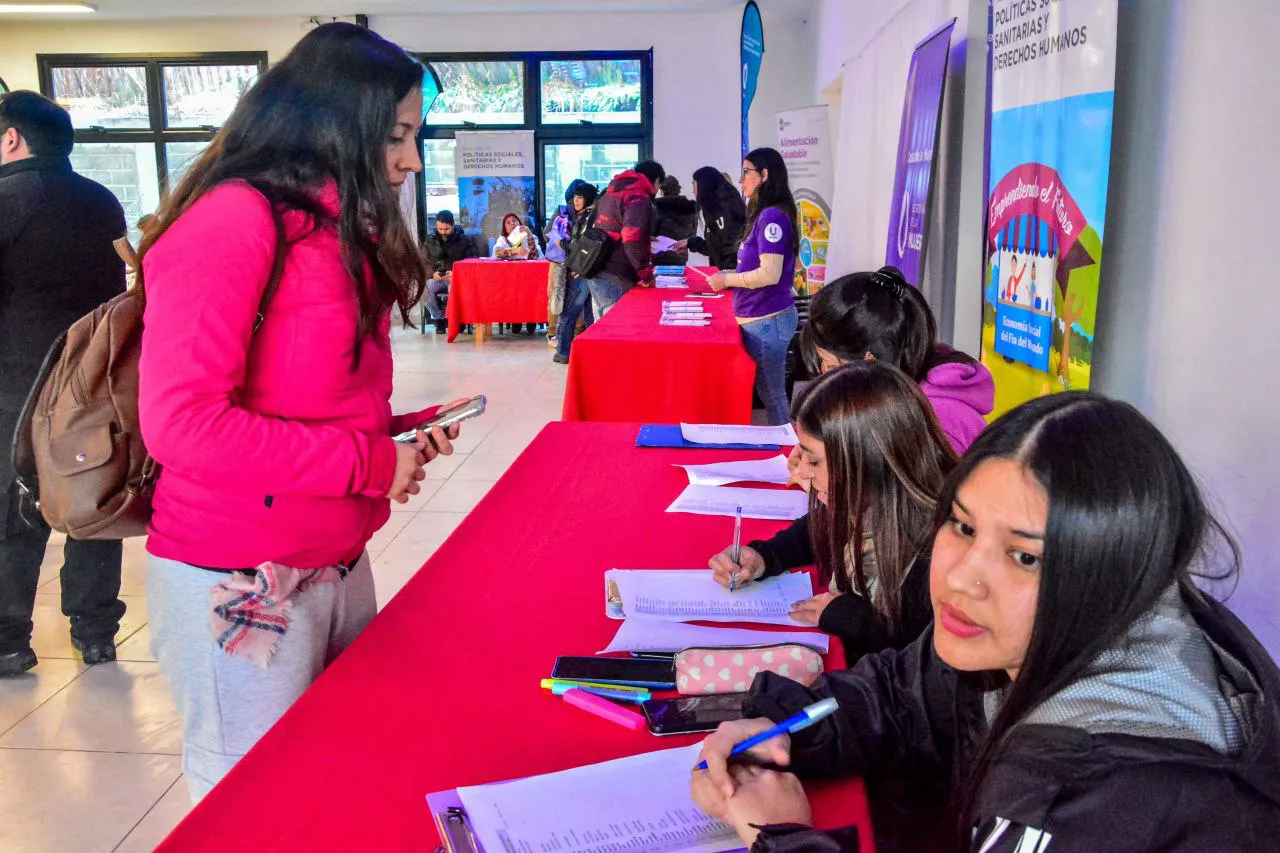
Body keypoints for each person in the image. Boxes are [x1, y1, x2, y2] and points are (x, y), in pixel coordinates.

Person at [692, 392, 1280, 852]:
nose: (959, 579)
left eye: (1024, 556)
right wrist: (783, 728)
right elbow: (898, 693)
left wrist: (783, 836)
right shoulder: (1043, 632)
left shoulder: (1109, 799)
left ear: (1109, 574)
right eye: (964, 527)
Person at [135, 23, 467, 802]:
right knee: (256, 805)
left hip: (335, 562)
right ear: (330, 121)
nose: (412, 159)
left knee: (338, 780)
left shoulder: (336, 225)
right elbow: (181, 424)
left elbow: (302, 398)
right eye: (397, 135)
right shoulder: (234, 220)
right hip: (240, 574)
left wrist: (393, 432)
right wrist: (370, 463)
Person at [0, 91, 128, 677]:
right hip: (88, 381)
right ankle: (96, 631)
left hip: (14, 382)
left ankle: (8, 640)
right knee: (91, 494)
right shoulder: (101, 201)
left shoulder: (4, 199)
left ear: (11, 138)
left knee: (12, 506)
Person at [709, 362, 956, 661]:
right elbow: (820, 528)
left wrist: (853, 618)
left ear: (868, 462)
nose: (801, 472)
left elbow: (920, 650)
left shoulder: (938, 554)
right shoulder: (868, 502)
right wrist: (765, 556)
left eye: (813, 462)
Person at [801, 266, 994, 453]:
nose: (824, 373)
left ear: (872, 362)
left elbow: (894, 484)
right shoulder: (894, 400)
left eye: (832, 365)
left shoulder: (936, 425)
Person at [708, 147, 800, 425]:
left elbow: (769, 274)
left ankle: (786, 451)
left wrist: (727, 280)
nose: (740, 180)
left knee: (772, 393)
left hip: (767, 319)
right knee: (767, 390)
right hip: (759, 317)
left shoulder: (772, 216)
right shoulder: (764, 214)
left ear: (764, 175)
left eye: (746, 172)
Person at [585, 167, 657, 317]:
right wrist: (646, 274)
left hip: (597, 267)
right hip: (618, 271)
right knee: (615, 332)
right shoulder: (637, 197)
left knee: (601, 329)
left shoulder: (609, 193)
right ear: (656, 181)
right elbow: (632, 238)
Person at [552, 179, 600, 365]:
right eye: (574, 197)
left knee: (569, 313)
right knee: (589, 313)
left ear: (587, 199)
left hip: (579, 270)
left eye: (580, 197)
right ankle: (592, 352)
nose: (576, 201)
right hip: (587, 271)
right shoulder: (590, 216)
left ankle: (563, 352)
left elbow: (580, 245)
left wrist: (561, 243)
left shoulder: (586, 218)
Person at [423, 209, 478, 334]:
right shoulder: (430, 240)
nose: (443, 232)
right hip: (437, 277)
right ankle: (439, 319)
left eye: (446, 229)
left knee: (453, 290)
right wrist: (432, 274)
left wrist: (457, 274)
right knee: (425, 291)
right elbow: (423, 261)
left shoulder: (465, 240)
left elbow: (472, 261)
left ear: (453, 225)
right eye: (440, 229)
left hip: (456, 278)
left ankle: (457, 320)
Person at [687, 165, 747, 270]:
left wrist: (726, 277)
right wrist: (690, 242)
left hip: (732, 275)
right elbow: (715, 247)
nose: (693, 191)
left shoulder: (725, 208)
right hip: (724, 274)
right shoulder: (713, 209)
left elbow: (731, 249)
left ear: (703, 185)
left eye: (694, 185)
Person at [544, 199, 574, 346]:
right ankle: (578, 333)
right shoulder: (587, 212)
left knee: (555, 295)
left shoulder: (561, 211)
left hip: (557, 260)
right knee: (576, 298)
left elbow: (546, 233)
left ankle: (552, 334)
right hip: (576, 261)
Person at [652, 174, 698, 267]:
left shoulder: (656, 207)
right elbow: (693, 235)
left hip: (659, 256)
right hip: (681, 255)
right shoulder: (690, 208)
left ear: (661, 190)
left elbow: (652, 234)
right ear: (678, 189)